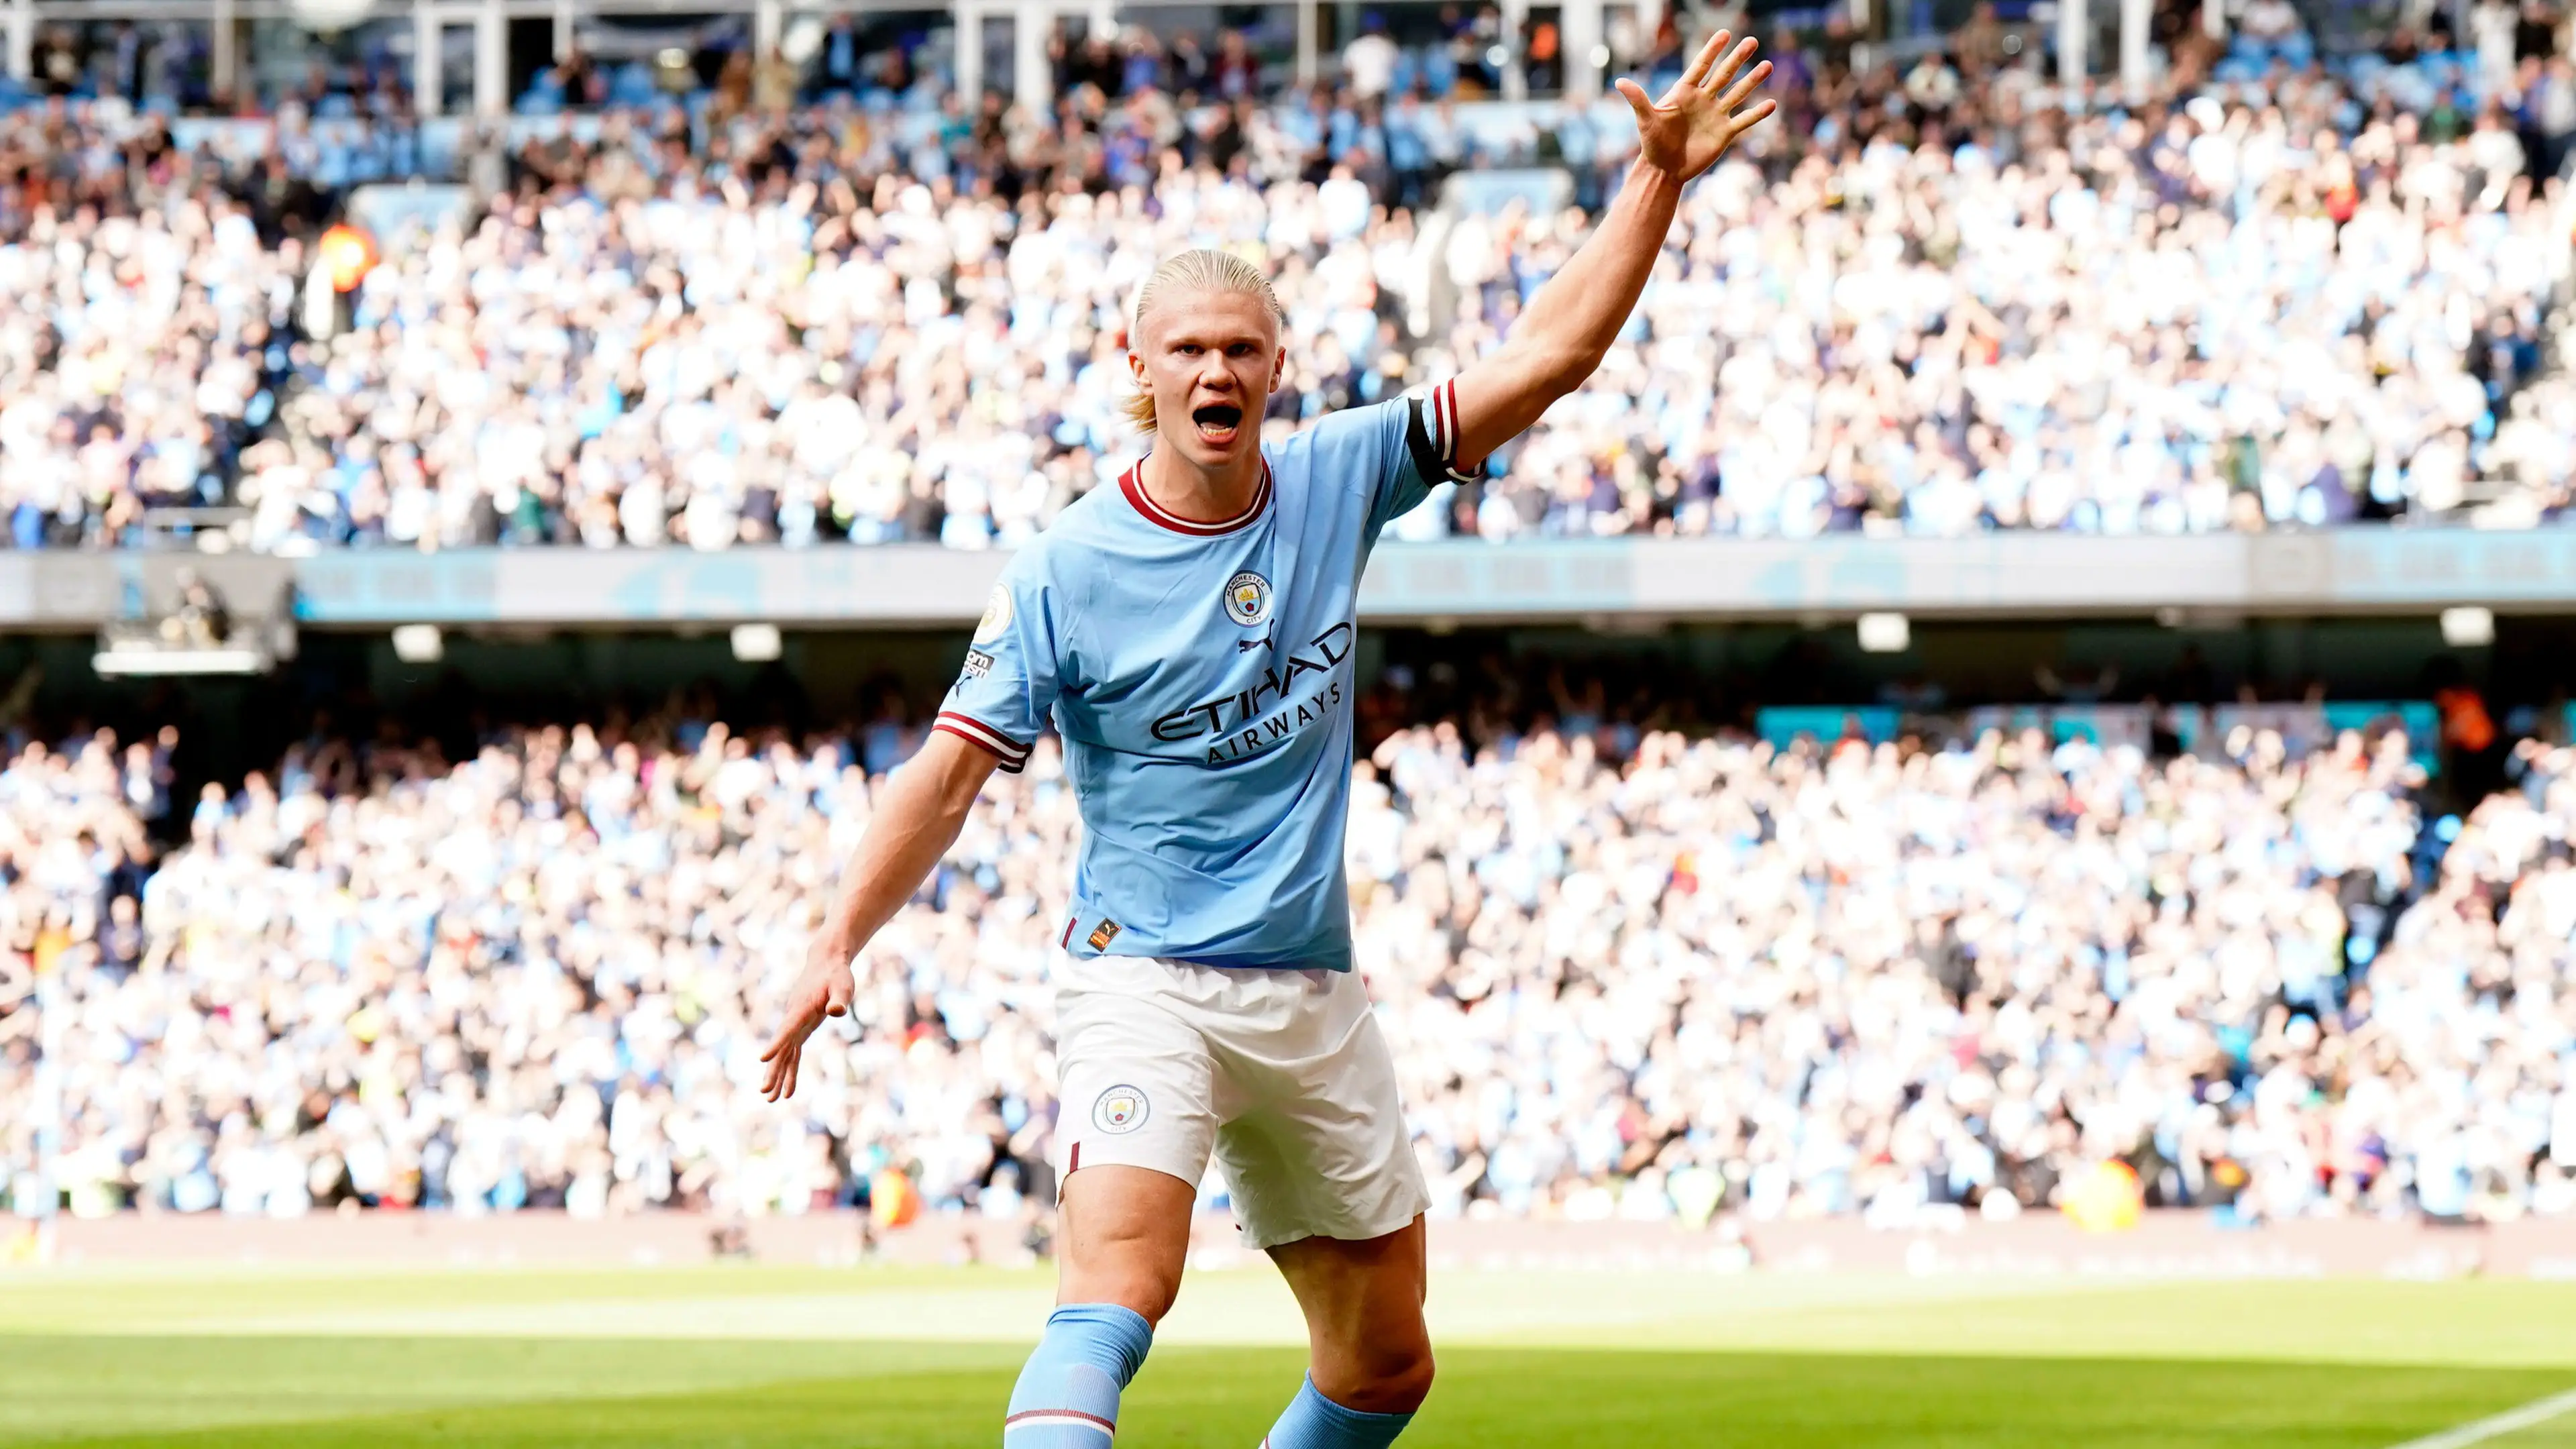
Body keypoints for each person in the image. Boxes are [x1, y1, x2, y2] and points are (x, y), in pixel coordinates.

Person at [758, 32, 1774, 1448]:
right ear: (1142, 370)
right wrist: (834, 938)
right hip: (1144, 981)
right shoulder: (1068, 565)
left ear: (1277, 369)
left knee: (1383, 1368)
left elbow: (1553, 355)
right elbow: (944, 781)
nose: (1217, 370)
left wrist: (1655, 182)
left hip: (1307, 992)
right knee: (1120, 1285)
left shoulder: (1341, 475)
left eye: (1242, 348)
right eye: (1190, 350)